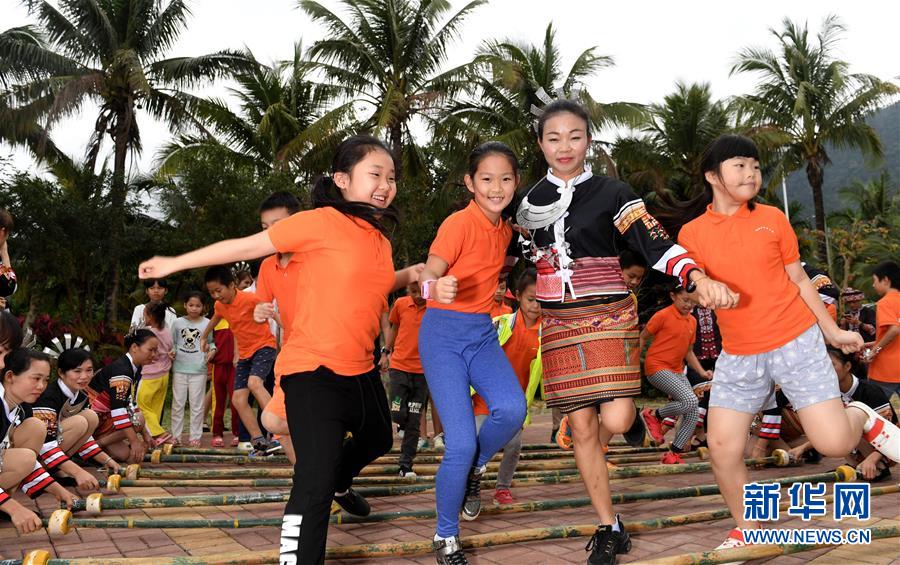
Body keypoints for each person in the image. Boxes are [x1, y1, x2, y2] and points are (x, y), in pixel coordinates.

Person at [138, 135, 423, 565]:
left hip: (361, 368)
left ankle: (341, 482)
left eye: (391, 177)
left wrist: (410, 274)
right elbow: (246, 246)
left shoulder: (379, 239)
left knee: (379, 437)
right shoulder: (320, 221)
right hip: (314, 371)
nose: (385, 184)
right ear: (343, 179)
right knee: (313, 482)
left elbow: (375, 286)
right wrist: (174, 263)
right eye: (374, 175)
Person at [515, 99, 736, 565]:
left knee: (613, 421)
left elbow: (653, 243)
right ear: (540, 144)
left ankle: (633, 420)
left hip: (609, 319)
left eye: (575, 136)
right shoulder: (528, 202)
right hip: (559, 326)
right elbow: (523, 258)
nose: (565, 147)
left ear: (588, 141)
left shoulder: (613, 192)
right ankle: (607, 525)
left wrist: (694, 276)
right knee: (580, 430)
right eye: (553, 138)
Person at [670, 134, 900, 553]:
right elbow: (693, 281)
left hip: (796, 342)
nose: (751, 173)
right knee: (722, 448)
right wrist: (707, 290)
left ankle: (862, 416)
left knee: (834, 445)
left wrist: (832, 333)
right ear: (713, 176)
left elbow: (799, 280)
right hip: (739, 355)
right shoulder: (693, 232)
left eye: (756, 166)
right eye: (740, 165)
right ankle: (747, 529)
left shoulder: (773, 218)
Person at [416, 141, 526, 564]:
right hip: (442, 337)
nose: (496, 187)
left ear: (515, 182)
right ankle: (446, 537)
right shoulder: (458, 224)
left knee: (513, 410)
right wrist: (433, 288)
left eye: (505, 178)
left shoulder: (506, 229)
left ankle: (475, 471)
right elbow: (429, 273)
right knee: (459, 444)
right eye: (486, 179)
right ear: (470, 183)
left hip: (480, 334)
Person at [473, 268, 542, 505]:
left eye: (541, 301)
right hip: (484, 399)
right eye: (531, 299)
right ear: (519, 296)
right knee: (478, 443)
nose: (535, 306)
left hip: (515, 403)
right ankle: (471, 485)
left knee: (513, 446)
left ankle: (502, 487)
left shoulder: (547, 335)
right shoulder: (501, 324)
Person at [199, 266, 274, 455]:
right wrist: (204, 336)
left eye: (219, 290)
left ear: (232, 285)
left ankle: (279, 429)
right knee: (239, 399)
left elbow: (272, 313)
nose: (216, 295)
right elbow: (216, 318)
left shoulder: (250, 299)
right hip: (245, 354)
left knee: (254, 383)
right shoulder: (220, 305)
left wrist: (289, 333)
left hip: (264, 347)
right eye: (211, 292)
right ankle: (259, 440)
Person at [252, 191, 303, 463]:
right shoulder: (266, 266)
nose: (271, 233)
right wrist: (260, 312)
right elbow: (261, 308)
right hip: (291, 353)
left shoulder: (316, 259)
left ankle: (313, 484)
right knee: (273, 420)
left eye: (278, 225)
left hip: (325, 355)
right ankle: (306, 478)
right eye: (265, 228)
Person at [1, 349, 79, 526]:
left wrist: (57, 490)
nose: (41, 386)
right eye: (36, 378)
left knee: (35, 427)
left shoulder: (22, 407)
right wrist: (14, 508)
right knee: (25, 457)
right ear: (10, 376)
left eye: (45, 380)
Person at [30, 339, 118, 491]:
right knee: (81, 422)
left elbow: (84, 438)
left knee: (90, 417)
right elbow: (46, 443)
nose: (84, 376)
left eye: (89, 370)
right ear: (61, 373)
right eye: (77, 371)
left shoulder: (81, 396)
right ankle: (43, 471)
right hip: (36, 453)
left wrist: (107, 461)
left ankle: (56, 468)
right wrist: (78, 472)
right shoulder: (49, 396)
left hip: (52, 451)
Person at [639, 284, 709, 463]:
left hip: (676, 370)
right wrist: (632, 365)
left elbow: (688, 351)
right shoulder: (663, 315)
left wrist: (702, 373)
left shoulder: (692, 321)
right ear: (673, 296)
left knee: (693, 411)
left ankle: (673, 454)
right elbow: (642, 337)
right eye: (685, 300)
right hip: (656, 367)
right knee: (690, 400)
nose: (688, 305)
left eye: (692, 302)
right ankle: (653, 415)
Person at [88, 329, 158, 464]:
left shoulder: (134, 367)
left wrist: (145, 435)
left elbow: (129, 402)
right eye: (151, 350)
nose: (154, 354)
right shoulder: (123, 370)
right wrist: (134, 441)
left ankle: (96, 446)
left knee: (130, 457)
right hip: (95, 421)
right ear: (134, 347)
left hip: (103, 418)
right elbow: (118, 410)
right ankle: (94, 446)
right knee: (138, 420)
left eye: (156, 350)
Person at [383, 281, 428, 478]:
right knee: (397, 411)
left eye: (421, 291)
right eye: (414, 291)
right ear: (408, 291)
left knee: (414, 421)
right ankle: (400, 422)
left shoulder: (434, 307)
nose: (418, 295)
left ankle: (405, 466)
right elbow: (393, 328)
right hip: (400, 367)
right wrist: (385, 352)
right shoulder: (401, 304)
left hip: (422, 372)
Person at [170, 291, 211, 447]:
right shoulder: (178, 323)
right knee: (178, 403)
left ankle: (195, 436)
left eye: (198, 306)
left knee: (197, 405)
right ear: (185, 305)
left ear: (203, 307)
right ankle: (176, 436)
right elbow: (172, 343)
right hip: (180, 368)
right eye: (191, 305)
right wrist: (172, 351)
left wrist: (211, 350)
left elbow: (211, 343)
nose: (194, 308)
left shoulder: (207, 323)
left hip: (199, 370)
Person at [137, 301, 175, 447]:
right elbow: (170, 347)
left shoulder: (148, 333)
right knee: (155, 409)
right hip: (164, 374)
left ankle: (160, 433)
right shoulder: (166, 330)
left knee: (141, 405)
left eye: (145, 314)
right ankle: (153, 437)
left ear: (151, 316)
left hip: (149, 375)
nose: (143, 316)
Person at [865, 261, 900, 398]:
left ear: (885, 280)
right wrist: (872, 344)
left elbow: (895, 330)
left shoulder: (885, 302)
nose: (873, 285)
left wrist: (874, 350)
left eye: (874, 280)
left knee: (877, 409)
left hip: (886, 371)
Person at [207, 318, 239, 448]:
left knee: (236, 400)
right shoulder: (215, 321)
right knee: (218, 401)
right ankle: (217, 433)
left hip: (235, 365)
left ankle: (238, 433)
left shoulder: (239, 317)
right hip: (218, 365)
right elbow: (209, 342)